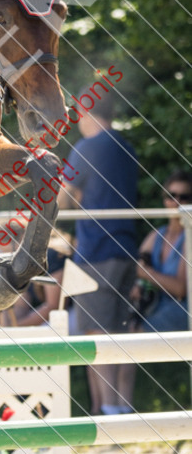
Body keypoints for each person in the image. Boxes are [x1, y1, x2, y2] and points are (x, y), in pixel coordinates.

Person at [57, 84, 139, 415]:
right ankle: (123, 409)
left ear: (85, 112)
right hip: (126, 250)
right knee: (123, 335)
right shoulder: (128, 148)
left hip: (95, 253)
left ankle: (107, 413)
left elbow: (63, 199)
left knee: (96, 335)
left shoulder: (87, 147)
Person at [132, 169, 191, 332]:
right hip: (155, 306)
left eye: (184, 197)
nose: (176, 202)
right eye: (171, 195)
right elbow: (137, 265)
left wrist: (145, 273)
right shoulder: (156, 235)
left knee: (139, 331)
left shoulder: (189, 236)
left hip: (183, 309)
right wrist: (139, 283)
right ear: (165, 199)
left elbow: (180, 289)